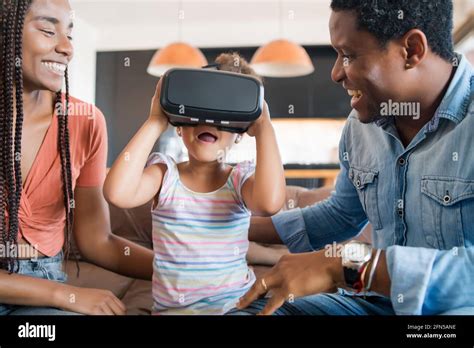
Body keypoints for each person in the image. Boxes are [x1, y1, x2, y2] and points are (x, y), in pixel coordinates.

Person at [233, 0, 474, 315]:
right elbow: (342, 215)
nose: (335, 73)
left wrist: (351, 266)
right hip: (375, 303)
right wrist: (233, 226)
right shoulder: (362, 127)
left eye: (348, 55)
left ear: (411, 49)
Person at [0, 0, 154, 315]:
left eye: (70, 35)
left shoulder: (84, 121)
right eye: (47, 30)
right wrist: (61, 294)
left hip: (41, 288)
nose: (67, 48)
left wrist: (181, 270)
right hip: (49, 291)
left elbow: (97, 240)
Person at [104, 53, 286, 314]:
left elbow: (270, 204)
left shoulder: (239, 181)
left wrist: (264, 127)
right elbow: (118, 193)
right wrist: (155, 120)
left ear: (239, 135)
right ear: (179, 126)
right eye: (197, 113)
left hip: (236, 307)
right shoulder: (164, 175)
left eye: (223, 115)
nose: (208, 121)